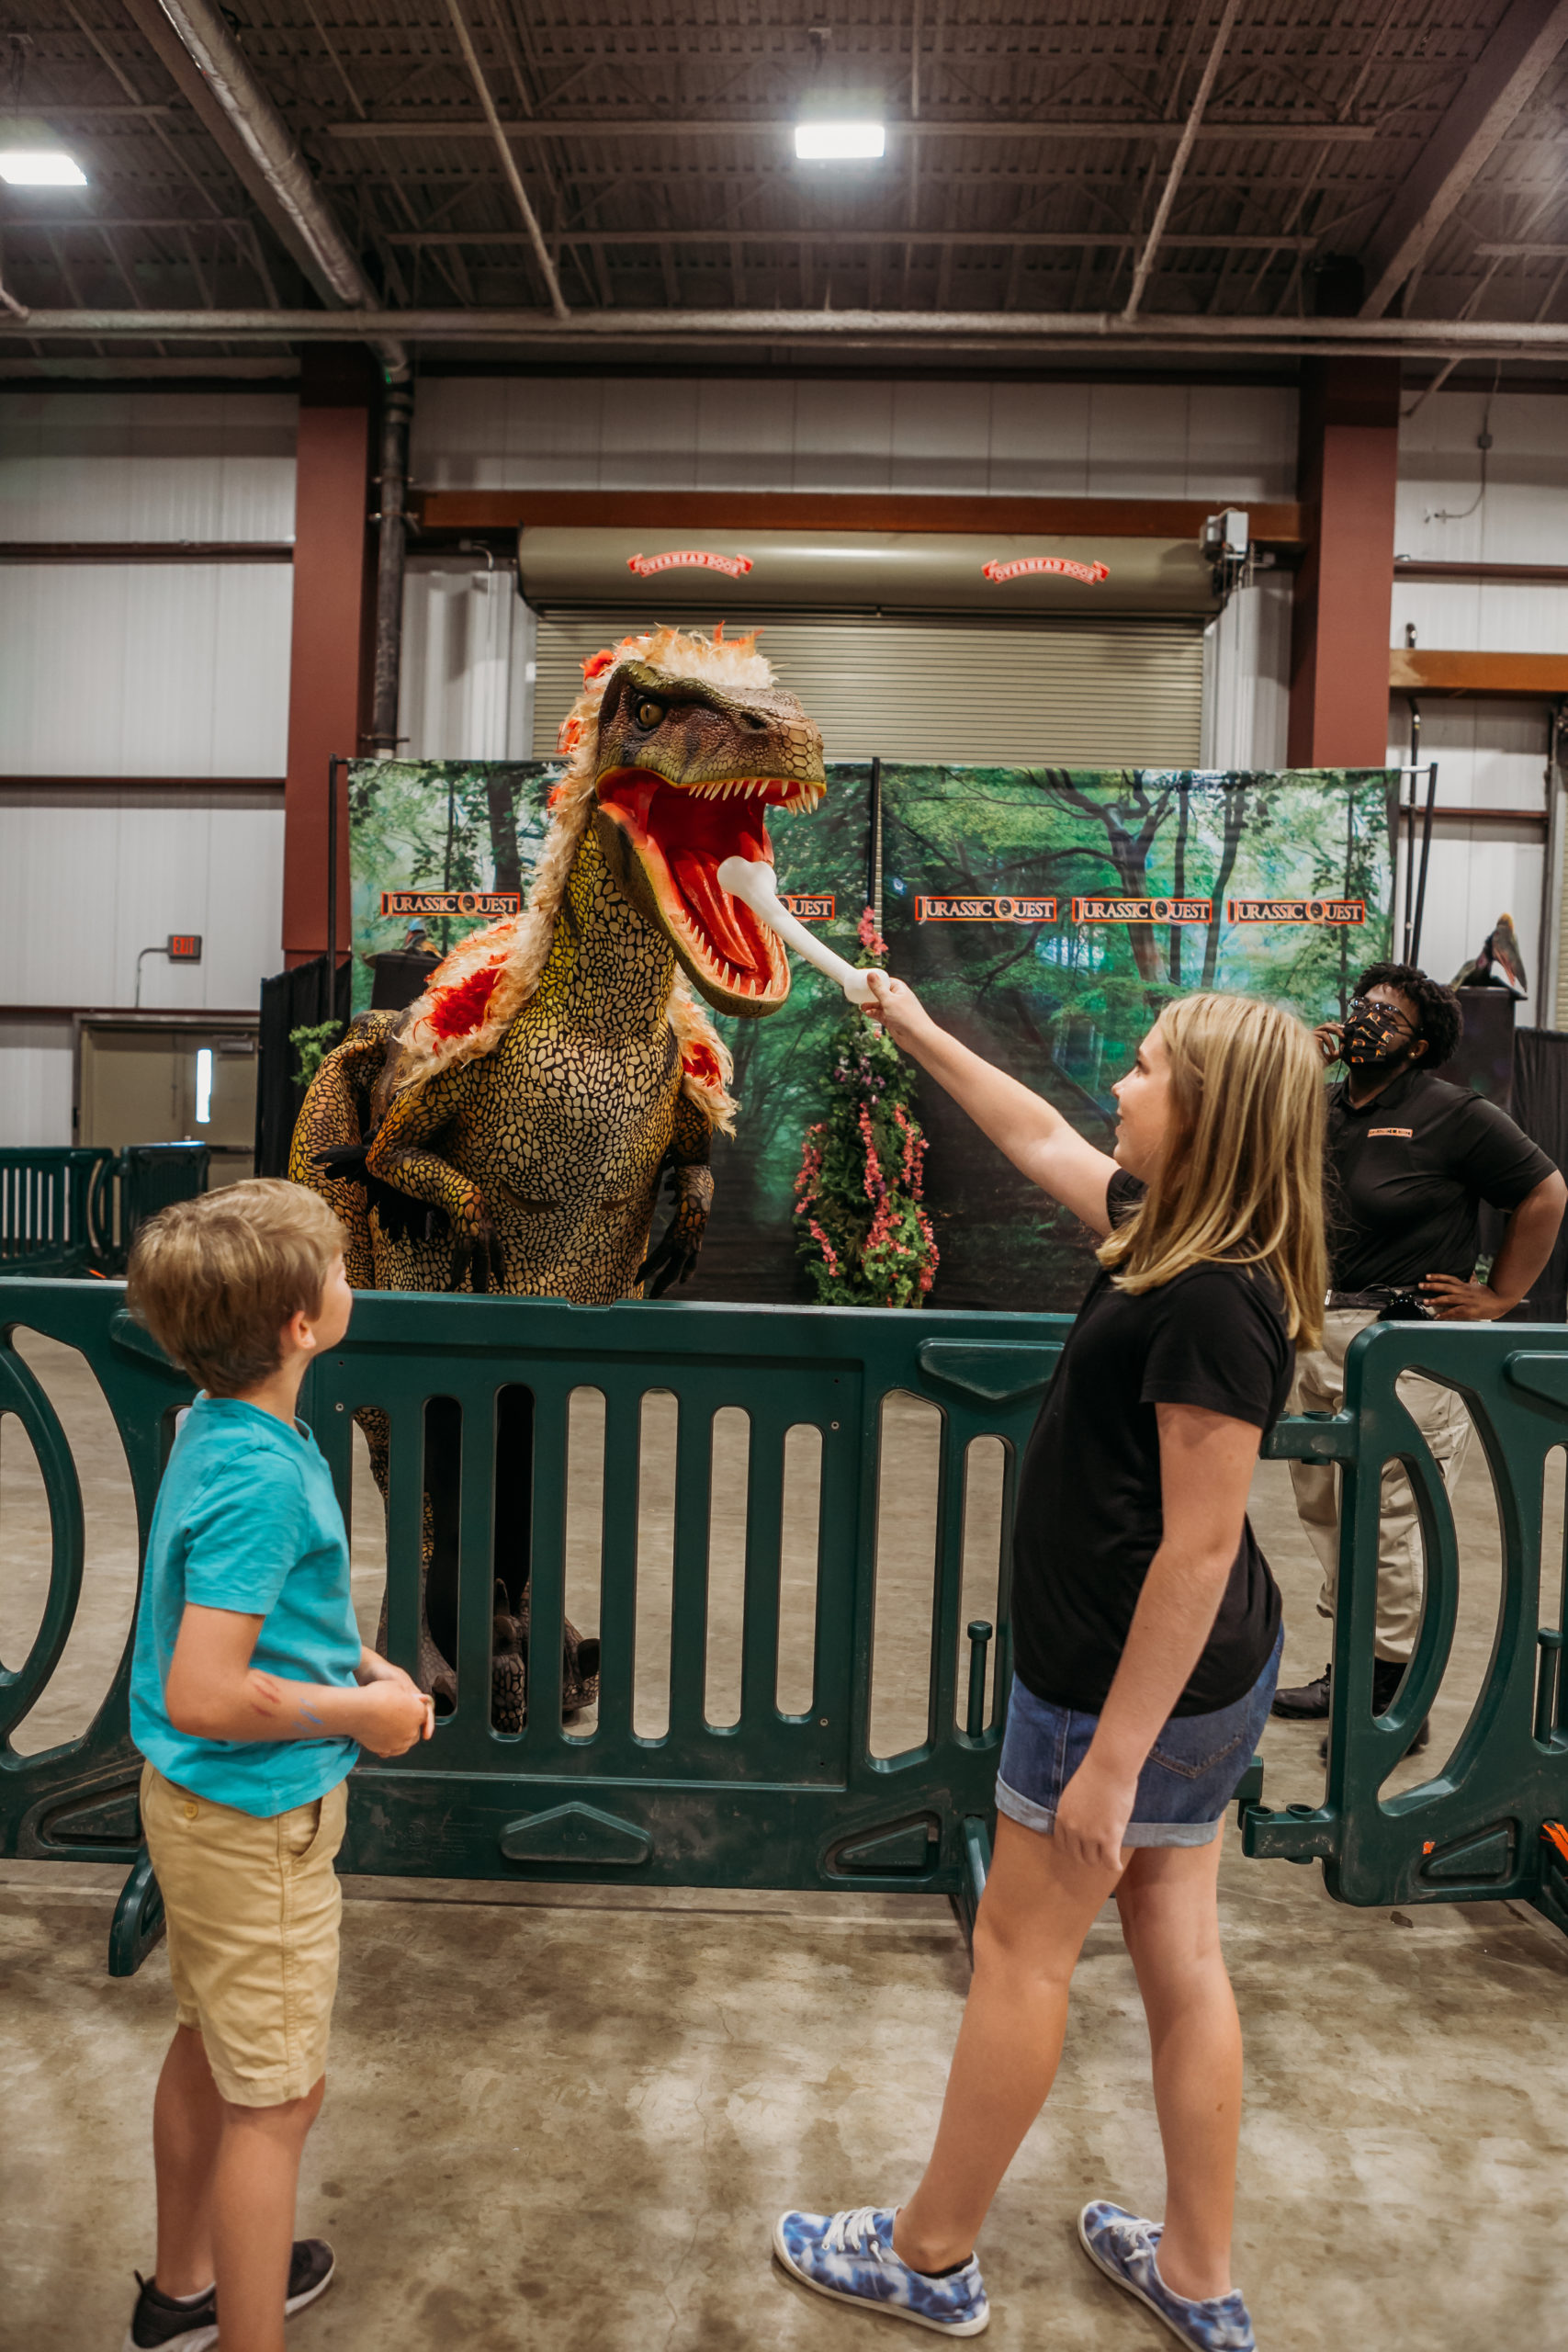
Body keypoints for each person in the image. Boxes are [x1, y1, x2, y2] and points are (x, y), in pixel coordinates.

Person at [773, 984, 1326, 2349]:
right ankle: (1195, 2274)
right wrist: (908, 1023)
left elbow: (1198, 1550)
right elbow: (1030, 1135)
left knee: (1021, 1953)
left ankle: (930, 2254)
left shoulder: (1211, 1296)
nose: (1117, 1088)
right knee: (1177, 1947)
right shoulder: (1168, 1227)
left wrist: (1112, 1763)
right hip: (1180, 1685)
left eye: (1143, 1069)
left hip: (1121, 1691)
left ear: (1207, 1113)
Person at [121, 1181, 434, 2352]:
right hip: (257, 1826)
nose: (353, 1279)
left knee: (209, 2046)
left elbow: (248, 1615)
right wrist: (364, 1714)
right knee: (279, 2101)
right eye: (341, 1267)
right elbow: (207, 1689)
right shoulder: (261, 1474)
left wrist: (355, 1660)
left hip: (197, 1810)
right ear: (302, 1324)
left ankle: (185, 2287)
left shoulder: (223, 1426)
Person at [1272, 963, 1565, 1752]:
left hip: (1403, 1344)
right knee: (1327, 1513)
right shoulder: (1320, 1107)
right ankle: (1354, 1667)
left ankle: (1396, 1701)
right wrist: (1295, 1065)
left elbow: (1544, 1192)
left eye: (1387, 1015)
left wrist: (1500, 1295)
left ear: (1419, 1045)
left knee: (1391, 1522)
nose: (1365, 1019)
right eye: (1361, 1005)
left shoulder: (1451, 1113)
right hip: (1315, 1332)